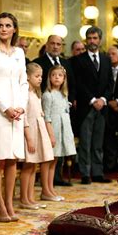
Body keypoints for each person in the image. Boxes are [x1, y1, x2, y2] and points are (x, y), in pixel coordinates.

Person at [0, 12, 28, 222]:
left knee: (12, 159)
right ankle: (0, 206)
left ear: (14, 29)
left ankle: (10, 204)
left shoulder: (20, 52)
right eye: (0, 25)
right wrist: (5, 108)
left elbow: (24, 81)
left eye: (8, 25)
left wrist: (20, 106)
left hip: (17, 113)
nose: (3, 29)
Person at [32, 35, 76, 186]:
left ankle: (57, 179)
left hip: (62, 113)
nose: (56, 46)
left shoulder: (66, 64)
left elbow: (72, 83)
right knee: (49, 155)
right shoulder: (38, 63)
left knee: (58, 153)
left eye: (59, 44)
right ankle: (47, 185)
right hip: (45, 113)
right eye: (53, 43)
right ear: (47, 45)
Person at [74, 26, 113, 184]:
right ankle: (85, 173)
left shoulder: (106, 59)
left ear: (100, 40)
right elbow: (78, 84)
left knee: (98, 143)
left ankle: (97, 173)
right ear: (86, 40)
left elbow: (110, 83)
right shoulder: (78, 60)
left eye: (95, 38)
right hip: (86, 106)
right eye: (89, 38)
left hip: (102, 107)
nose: (92, 41)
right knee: (85, 142)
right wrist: (92, 100)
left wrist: (103, 99)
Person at [20, 63, 53, 210]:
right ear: (27, 76)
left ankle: (31, 198)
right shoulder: (25, 94)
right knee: (28, 166)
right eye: (37, 76)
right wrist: (29, 138)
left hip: (38, 130)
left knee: (34, 166)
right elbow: (24, 117)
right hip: (30, 132)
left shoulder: (35, 93)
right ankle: (24, 199)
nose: (40, 79)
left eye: (41, 76)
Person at [41, 65, 76, 200]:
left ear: (64, 79)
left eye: (60, 75)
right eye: (54, 75)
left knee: (55, 161)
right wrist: (51, 135)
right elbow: (46, 117)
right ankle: (45, 190)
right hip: (52, 131)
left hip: (61, 131)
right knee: (48, 161)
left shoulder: (63, 95)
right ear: (49, 78)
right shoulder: (47, 95)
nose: (57, 77)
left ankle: (50, 189)